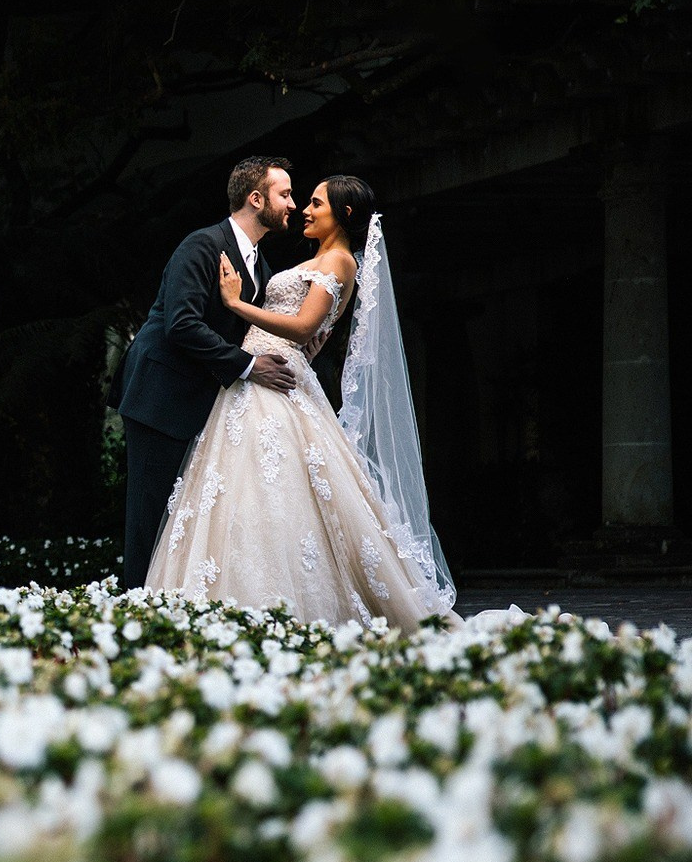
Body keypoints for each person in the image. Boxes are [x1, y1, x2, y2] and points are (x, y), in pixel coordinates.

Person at [142, 175, 457, 626]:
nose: (303, 209)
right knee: (241, 491)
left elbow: (305, 326)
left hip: (273, 379)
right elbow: (311, 330)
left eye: (314, 202)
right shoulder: (312, 260)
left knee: (275, 487)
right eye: (296, 198)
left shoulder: (340, 261)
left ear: (344, 214)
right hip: (255, 376)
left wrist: (234, 303)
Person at [111, 157, 301, 590]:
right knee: (151, 518)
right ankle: (136, 617)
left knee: (184, 520)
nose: (292, 204)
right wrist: (250, 367)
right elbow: (181, 324)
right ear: (256, 199)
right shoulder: (201, 245)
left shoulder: (260, 266)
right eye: (284, 194)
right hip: (160, 397)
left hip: (202, 402)